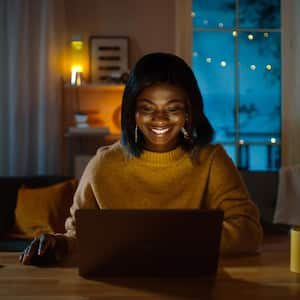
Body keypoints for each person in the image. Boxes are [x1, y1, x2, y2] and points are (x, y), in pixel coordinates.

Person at [20, 52, 263, 265]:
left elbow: (249, 231)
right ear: (132, 113)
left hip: (194, 284)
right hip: (117, 287)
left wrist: (169, 242)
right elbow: (79, 236)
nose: (160, 119)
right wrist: (58, 244)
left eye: (173, 108)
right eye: (147, 108)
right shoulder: (103, 165)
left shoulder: (211, 161)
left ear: (189, 113)